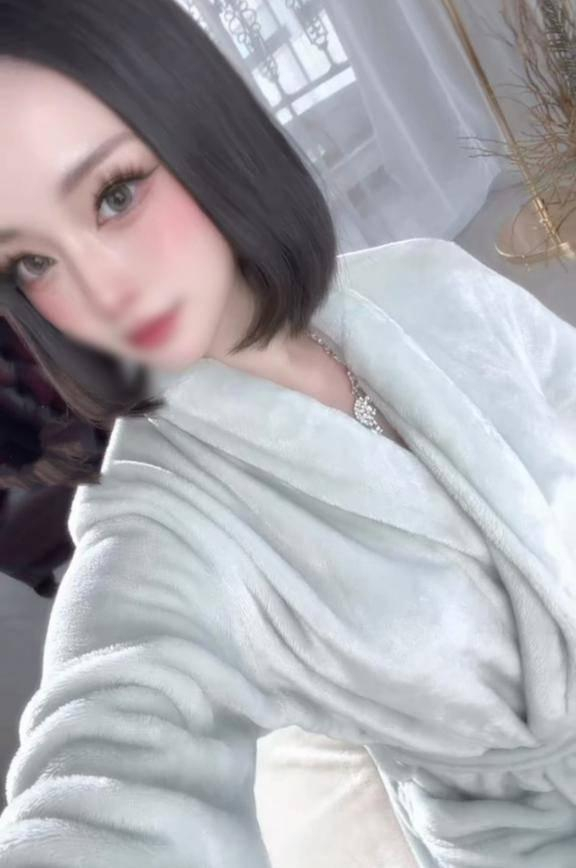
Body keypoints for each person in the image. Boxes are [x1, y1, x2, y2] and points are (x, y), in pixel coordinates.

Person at [1, 1, 576, 866]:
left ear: (196, 123)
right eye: (32, 262)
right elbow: (108, 760)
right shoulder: (156, 524)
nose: (101, 291)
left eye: (115, 195)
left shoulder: (435, 283)